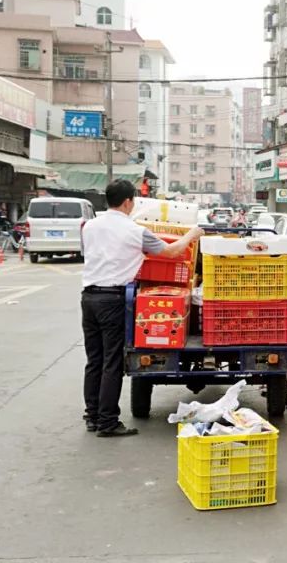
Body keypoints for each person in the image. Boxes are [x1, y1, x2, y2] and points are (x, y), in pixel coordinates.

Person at [81, 180, 203, 437]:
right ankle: (107, 422)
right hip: (112, 300)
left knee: (95, 360)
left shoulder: (89, 226)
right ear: (128, 202)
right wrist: (192, 234)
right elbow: (171, 252)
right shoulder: (135, 231)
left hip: (89, 297)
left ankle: (92, 416)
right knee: (112, 362)